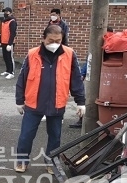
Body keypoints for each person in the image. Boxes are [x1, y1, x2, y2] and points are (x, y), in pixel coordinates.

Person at [15, 25, 85, 173]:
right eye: (51, 40)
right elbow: (22, 78)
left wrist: (81, 102)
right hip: (34, 103)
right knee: (26, 135)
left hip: (57, 103)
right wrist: (19, 100)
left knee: (55, 136)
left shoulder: (69, 54)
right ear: (43, 38)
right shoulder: (32, 54)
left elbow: (76, 79)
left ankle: (51, 162)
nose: (54, 43)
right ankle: (22, 160)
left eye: (58, 40)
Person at [69, 26, 114, 129]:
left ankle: (88, 121)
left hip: (104, 79)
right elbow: (88, 62)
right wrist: (82, 74)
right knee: (88, 99)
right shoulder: (98, 46)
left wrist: (82, 74)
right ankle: (82, 120)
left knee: (93, 100)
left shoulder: (109, 46)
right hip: (95, 79)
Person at [0, 7, 18, 79]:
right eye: (4, 12)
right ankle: (7, 70)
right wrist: (0, 42)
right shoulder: (3, 22)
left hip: (9, 43)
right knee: (5, 57)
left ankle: (12, 72)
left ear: (10, 13)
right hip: (3, 42)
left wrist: (10, 44)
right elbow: (2, 32)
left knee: (10, 57)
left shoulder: (12, 21)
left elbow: (13, 33)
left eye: (7, 12)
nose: (5, 13)